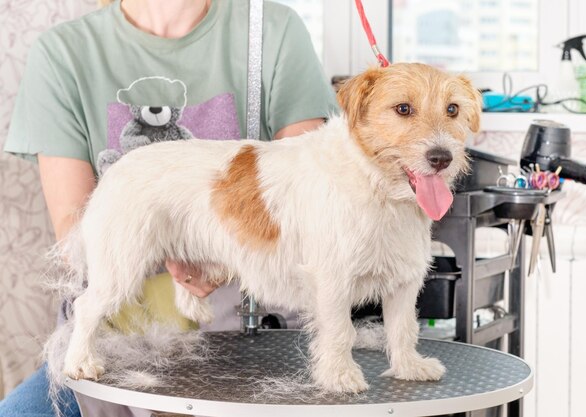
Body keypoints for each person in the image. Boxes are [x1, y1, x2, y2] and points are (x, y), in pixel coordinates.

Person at [0, 0, 338, 415]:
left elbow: (309, 204)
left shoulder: (273, 29)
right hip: (117, 342)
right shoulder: (63, 52)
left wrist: (214, 248)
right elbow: (75, 241)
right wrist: (176, 242)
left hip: (250, 334)